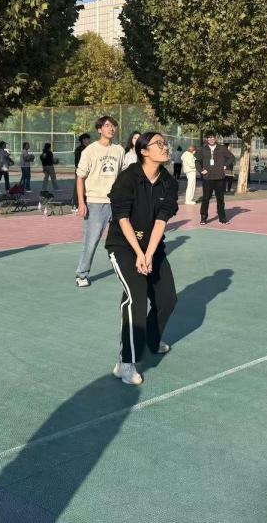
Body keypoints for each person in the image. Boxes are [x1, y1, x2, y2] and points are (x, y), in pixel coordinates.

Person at [105, 132, 179, 385]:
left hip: (152, 247)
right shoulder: (128, 178)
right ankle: (126, 363)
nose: (165, 147)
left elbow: (161, 221)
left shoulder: (168, 182)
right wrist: (138, 254)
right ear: (144, 151)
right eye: (159, 144)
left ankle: (151, 339)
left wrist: (148, 254)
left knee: (167, 299)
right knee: (135, 298)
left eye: (165, 143)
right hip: (123, 246)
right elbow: (122, 218)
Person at [75, 115, 124, 288]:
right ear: (99, 129)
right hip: (95, 203)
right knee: (92, 241)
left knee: (124, 237)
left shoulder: (119, 150)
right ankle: (82, 274)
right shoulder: (90, 151)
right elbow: (80, 177)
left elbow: (122, 176)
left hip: (116, 202)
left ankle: (126, 270)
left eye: (113, 126)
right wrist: (82, 202)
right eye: (107, 125)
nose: (111, 128)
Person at [197, 132, 235, 225]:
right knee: (206, 199)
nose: (211, 139)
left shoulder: (222, 148)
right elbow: (197, 161)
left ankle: (222, 218)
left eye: (213, 137)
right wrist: (201, 170)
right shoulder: (203, 149)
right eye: (209, 138)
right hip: (207, 178)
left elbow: (232, 157)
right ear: (207, 139)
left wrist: (225, 165)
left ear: (215, 138)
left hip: (219, 177)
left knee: (220, 199)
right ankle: (203, 218)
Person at [71, 133, 91, 210]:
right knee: (78, 187)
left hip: (88, 171)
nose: (89, 140)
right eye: (87, 139)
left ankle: (86, 203)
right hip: (80, 171)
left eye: (89, 139)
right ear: (83, 140)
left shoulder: (88, 148)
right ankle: (75, 204)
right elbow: (79, 162)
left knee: (87, 187)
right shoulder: (80, 150)